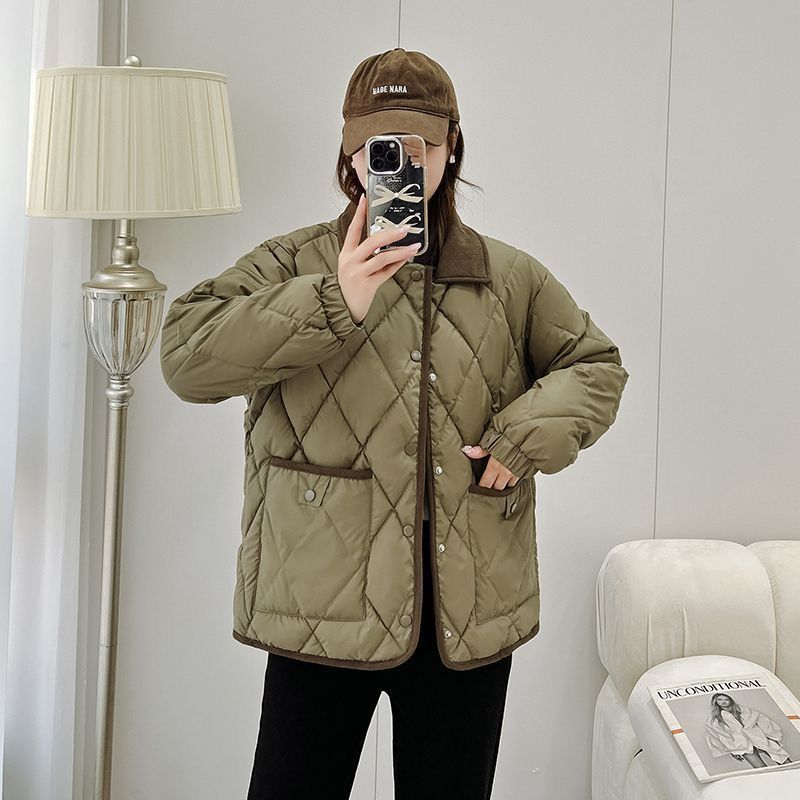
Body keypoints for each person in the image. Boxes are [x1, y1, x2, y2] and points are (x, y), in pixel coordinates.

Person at [160, 47, 629, 799]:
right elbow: (186, 358)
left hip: (465, 614)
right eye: (382, 147)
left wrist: (520, 439)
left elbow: (596, 366)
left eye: (421, 145)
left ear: (452, 147)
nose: (404, 163)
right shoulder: (295, 264)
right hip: (320, 606)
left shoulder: (508, 278)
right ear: (350, 153)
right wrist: (333, 298)